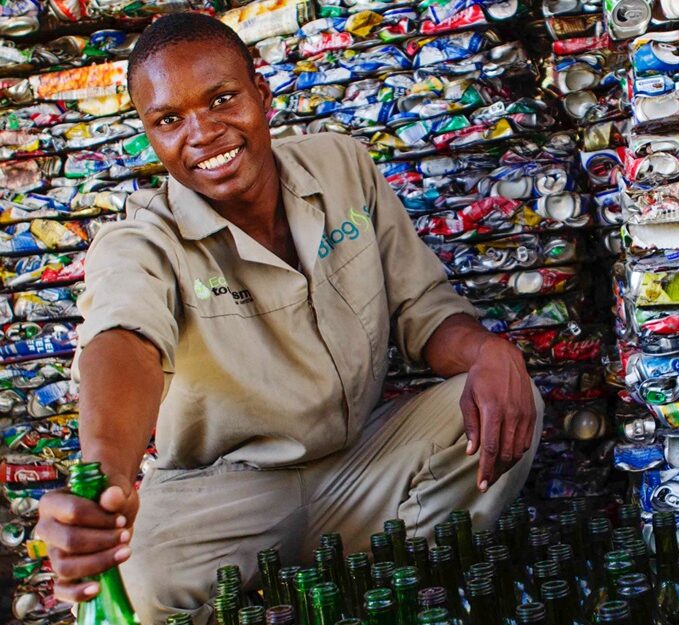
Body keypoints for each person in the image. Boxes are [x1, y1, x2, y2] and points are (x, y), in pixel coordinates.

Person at [35, 12, 542, 624]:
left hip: (360, 463)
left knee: (501, 404)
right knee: (137, 583)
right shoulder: (141, 241)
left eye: (222, 99)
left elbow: (423, 311)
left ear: (262, 95)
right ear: (149, 134)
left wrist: (488, 351)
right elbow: (124, 342)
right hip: (223, 493)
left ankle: (379, 595)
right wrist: (104, 483)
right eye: (169, 120)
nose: (203, 134)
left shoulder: (341, 168)